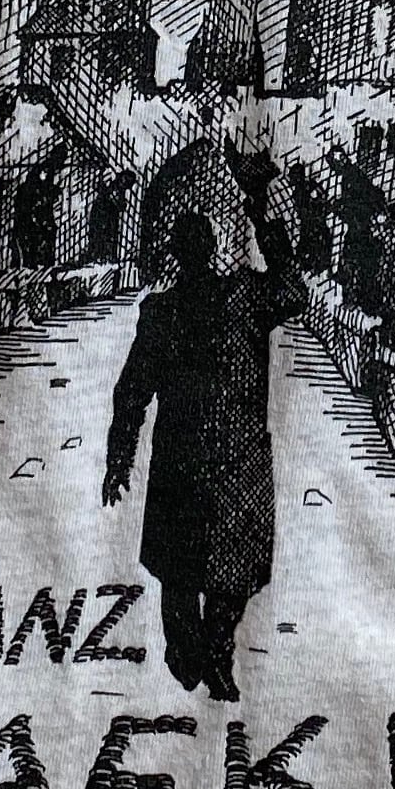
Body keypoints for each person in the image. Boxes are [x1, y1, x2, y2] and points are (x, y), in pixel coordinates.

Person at [101, 164, 306, 702]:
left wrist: (119, 459)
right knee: (230, 571)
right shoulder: (246, 297)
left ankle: (190, 656)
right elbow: (293, 289)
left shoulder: (162, 311)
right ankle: (214, 651)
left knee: (179, 572)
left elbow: (131, 392)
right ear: (213, 250)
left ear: (177, 255)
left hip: (182, 459)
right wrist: (262, 211)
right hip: (237, 457)